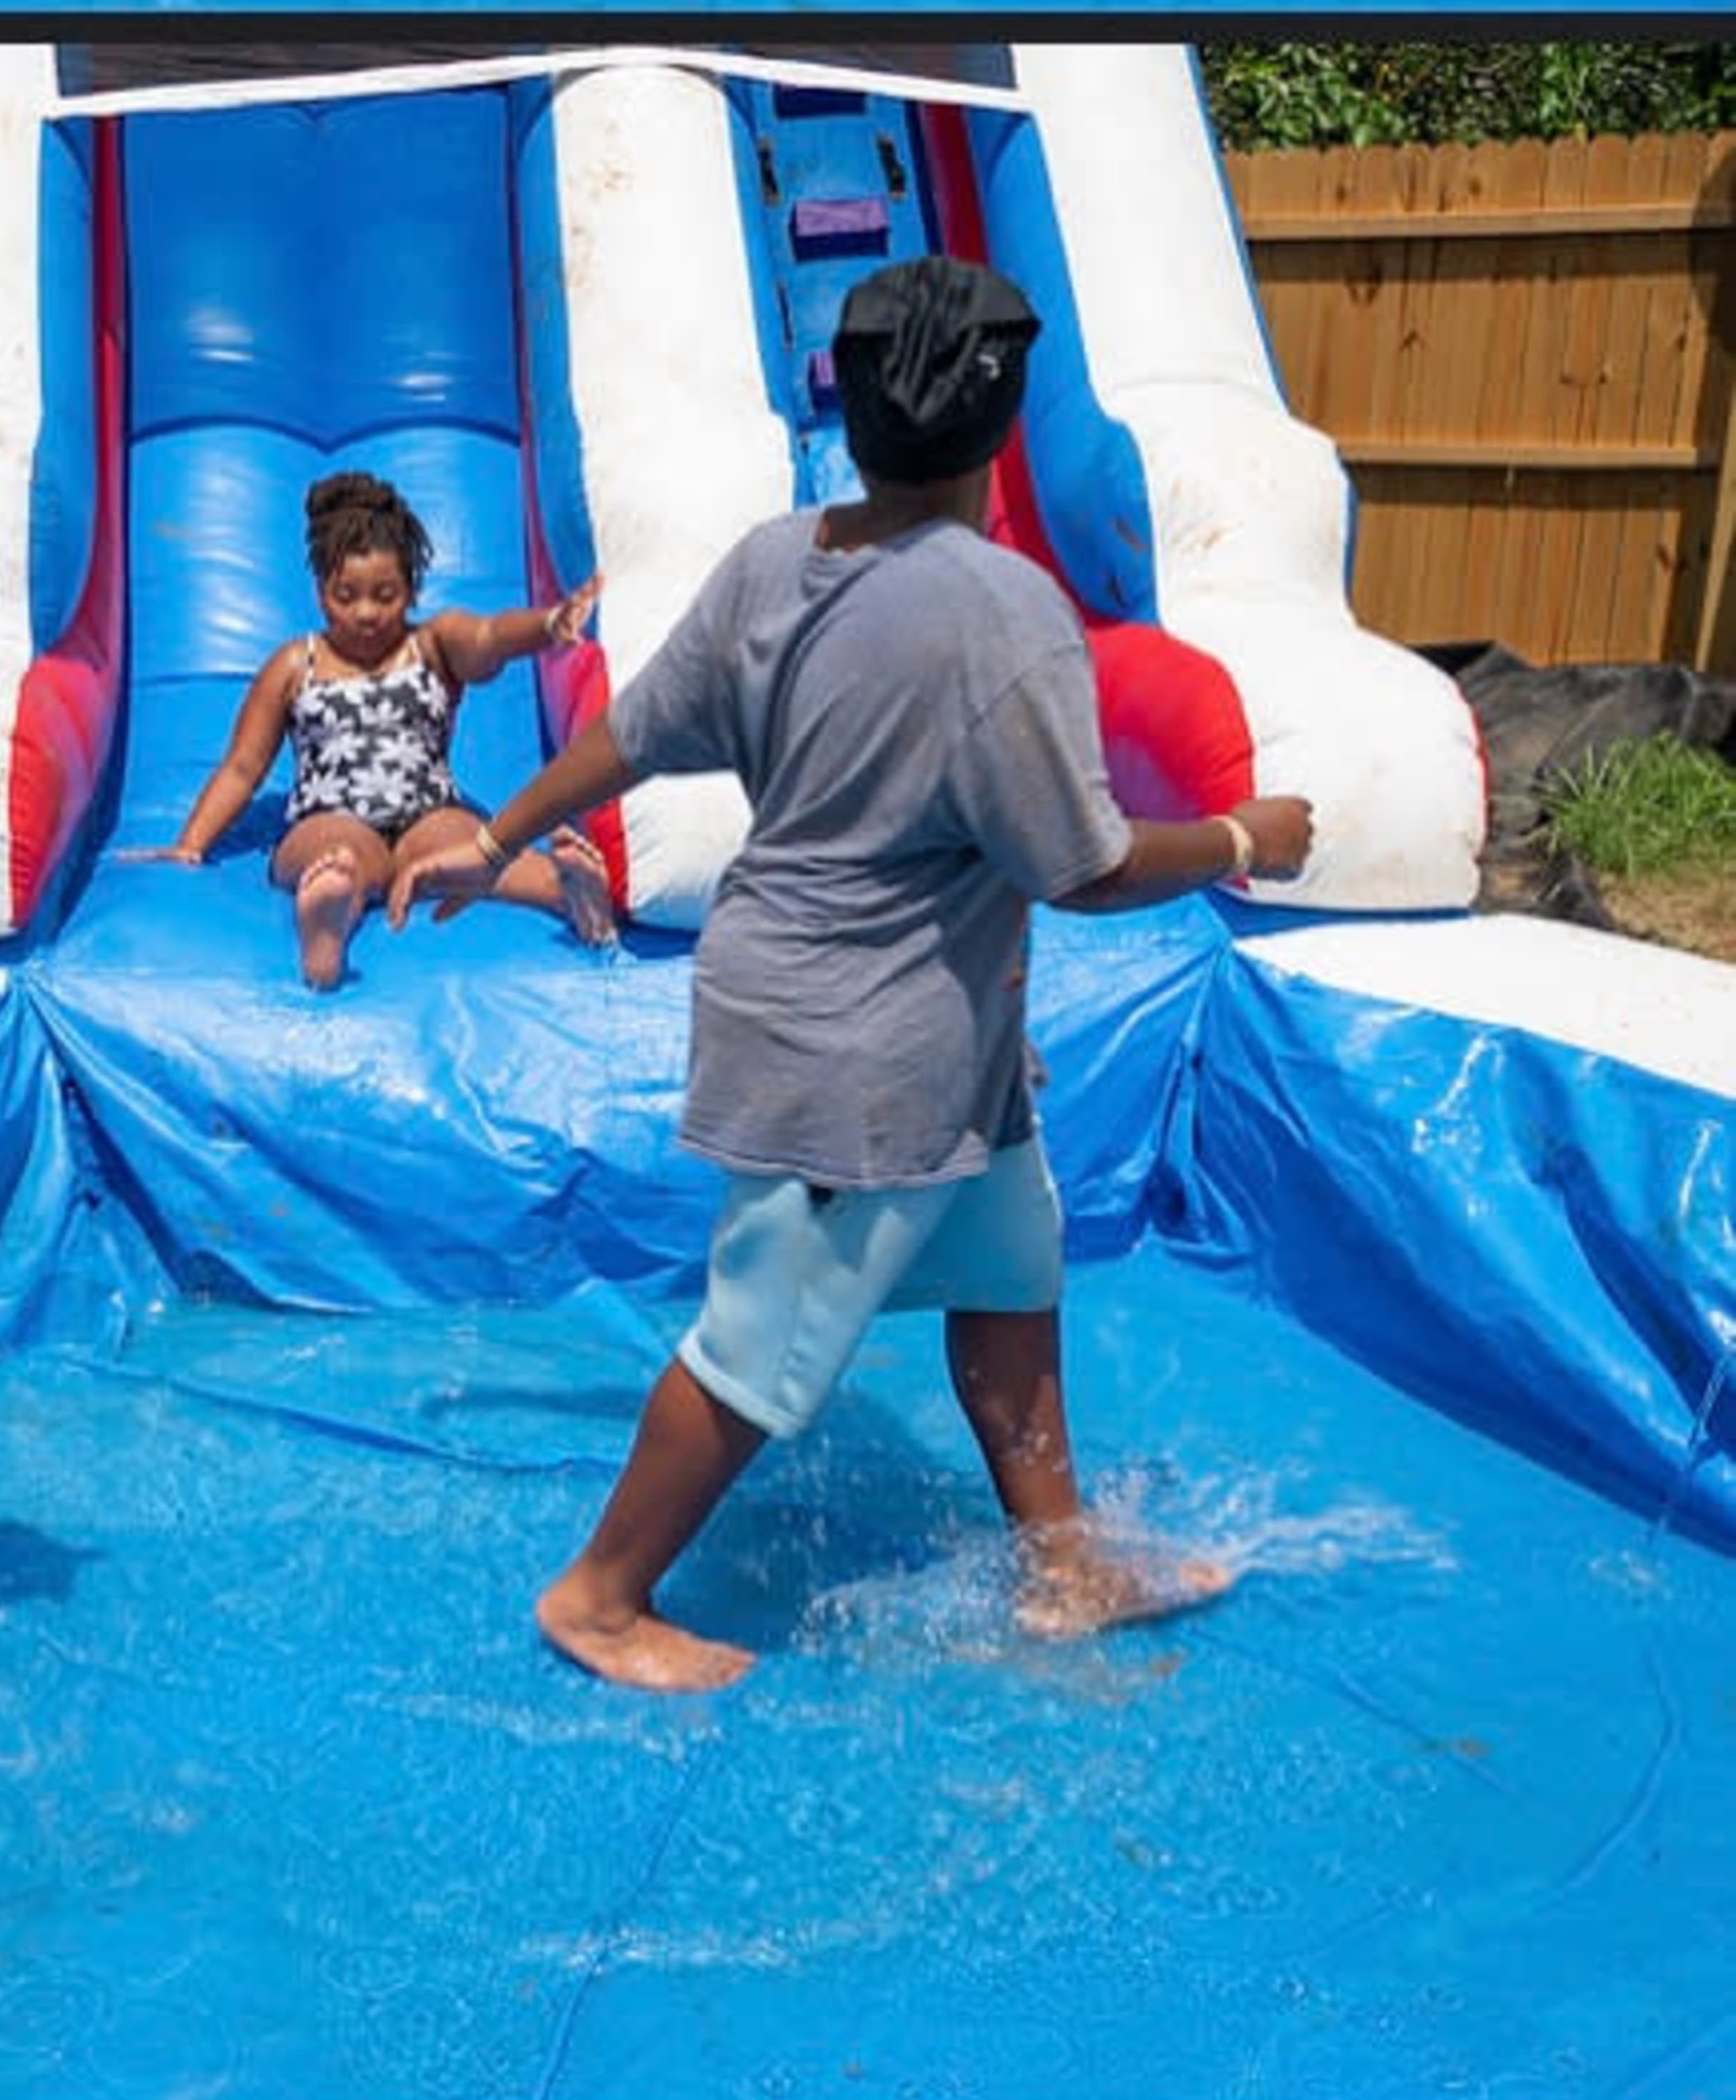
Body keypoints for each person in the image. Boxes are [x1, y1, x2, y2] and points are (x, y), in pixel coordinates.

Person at [388, 256, 1317, 1693]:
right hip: (858, 1052)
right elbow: (1082, 865)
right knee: (763, 1342)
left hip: (937, 1042)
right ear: (1003, 424)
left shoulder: (779, 557)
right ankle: (601, 1595)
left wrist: (495, 830)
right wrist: (1246, 835)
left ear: (851, 407)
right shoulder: (1006, 614)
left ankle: (1061, 1563)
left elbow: (632, 734)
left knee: (1011, 1271)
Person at [134, 468, 618, 990]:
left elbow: (489, 637)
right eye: (347, 595)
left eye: (385, 595)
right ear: (321, 593)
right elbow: (243, 767)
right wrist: (193, 842)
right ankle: (327, 922)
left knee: (473, 848)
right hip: (330, 816)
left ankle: (568, 891)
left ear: (411, 589)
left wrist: (547, 626)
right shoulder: (296, 665)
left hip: (428, 812)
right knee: (335, 854)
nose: (366, 613)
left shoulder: (432, 645)